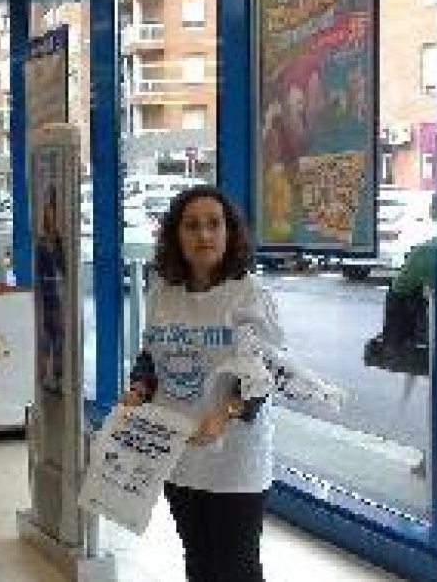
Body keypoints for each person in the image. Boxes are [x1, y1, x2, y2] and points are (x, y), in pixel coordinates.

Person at [121, 186, 280, 582]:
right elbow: (149, 357)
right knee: (199, 562)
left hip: (234, 457)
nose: (204, 236)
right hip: (179, 448)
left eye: (213, 224)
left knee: (236, 567)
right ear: (176, 236)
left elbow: (266, 371)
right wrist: (139, 391)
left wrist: (227, 412)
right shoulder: (163, 295)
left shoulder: (249, 295)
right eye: (191, 226)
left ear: (230, 232)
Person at [34, 187, 67, 392]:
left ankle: (56, 378)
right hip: (47, 296)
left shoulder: (59, 243)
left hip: (56, 296)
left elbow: (64, 269)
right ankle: (47, 378)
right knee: (48, 337)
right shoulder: (43, 244)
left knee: (57, 338)